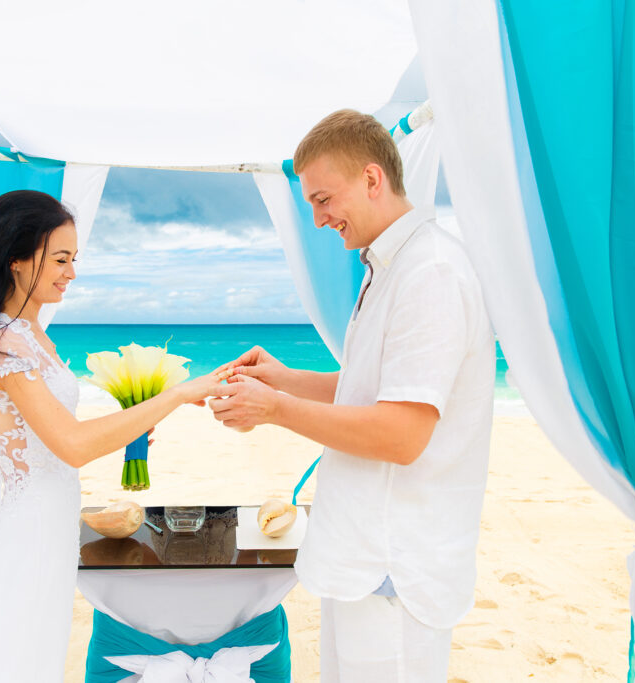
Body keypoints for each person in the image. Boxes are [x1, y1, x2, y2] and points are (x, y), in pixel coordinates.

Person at [208, 110, 494, 681]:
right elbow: (372, 389)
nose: (317, 220)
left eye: (322, 199)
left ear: (371, 178)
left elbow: (401, 434)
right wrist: (280, 378)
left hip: (393, 568)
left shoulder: (429, 272)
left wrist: (277, 410)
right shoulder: (387, 266)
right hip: (359, 558)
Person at [0, 190, 220, 681]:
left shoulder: (31, 335)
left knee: (35, 652)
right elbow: (71, 443)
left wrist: (132, 428)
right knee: (16, 655)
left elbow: (52, 440)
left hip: (51, 520)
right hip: (29, 527)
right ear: (18, 261)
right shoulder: (6, 343)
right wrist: (176, 395)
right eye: (61, 259)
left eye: (74, 259)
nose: (72, 272)